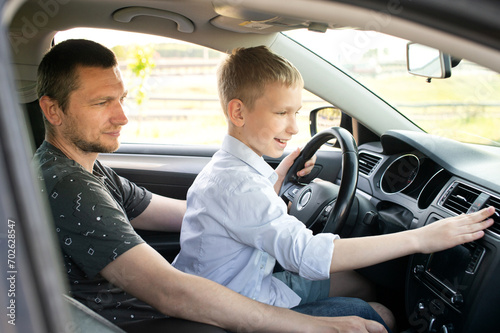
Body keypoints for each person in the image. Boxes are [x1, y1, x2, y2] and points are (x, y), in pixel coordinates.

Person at [33, 38, 389, 333]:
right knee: (373, 315)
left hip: (171, 311)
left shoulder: (87, 171)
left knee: (355, 283)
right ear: (53, 110)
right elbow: (170, 292)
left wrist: (270, 185)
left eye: (121, 99)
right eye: (101, 103)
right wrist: (314, 326)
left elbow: (200, 212)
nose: (123, 117)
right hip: (160, 322)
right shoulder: (67, 187)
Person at [172, 46, 496, 331]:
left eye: (296, 112)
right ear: (238, 112)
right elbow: (309, 255)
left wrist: (281, 177)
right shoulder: (240, 185)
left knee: (358, 282)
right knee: (381, 314)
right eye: (281, 113)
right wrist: (421, 238)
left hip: (247, 283)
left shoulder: (230, 169)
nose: (294, 126)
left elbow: (254, 216)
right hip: (239, 308)